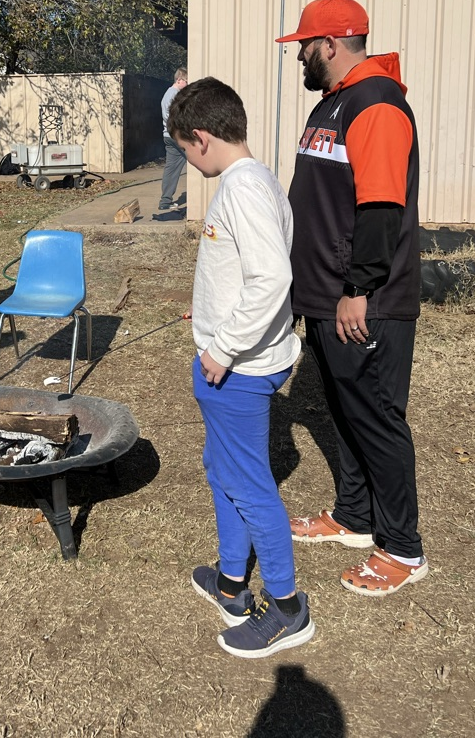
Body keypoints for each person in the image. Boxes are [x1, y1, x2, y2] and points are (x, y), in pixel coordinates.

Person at [278, 0, 426, 596]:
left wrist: (358, 288)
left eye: (305, 48)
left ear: (330, 45)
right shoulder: (334, 104)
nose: (302, 58)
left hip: (365, 301)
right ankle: (354, 517)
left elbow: (382, 205)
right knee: (343, 409)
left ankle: (404, 548)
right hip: (322, 295)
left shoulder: (378, 105)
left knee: (376, 417)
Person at [168, 77, 314, 658]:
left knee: (251, 487)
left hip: (239, 371)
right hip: (239, 360)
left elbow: (273, 278)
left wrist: (222, 347)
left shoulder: (242, 189)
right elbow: (245, 269)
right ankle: (232, 585)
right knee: (223, 471)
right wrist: (209, 309)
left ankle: (288, 610)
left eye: (183, 148)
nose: (187, 157)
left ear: (201, 138)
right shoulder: (253, 181)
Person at [158, 67, 188, 211]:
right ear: (179, 80)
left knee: (172, 168)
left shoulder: (168, 94)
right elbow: (171, 117)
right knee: (199, 159)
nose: (187, 86)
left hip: (168, 136)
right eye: (186, 82)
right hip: (176, 136)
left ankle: (165, 201)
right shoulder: (173, 95)